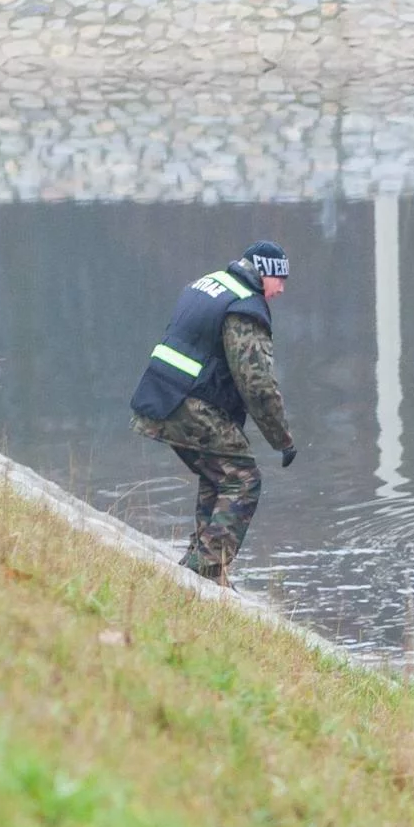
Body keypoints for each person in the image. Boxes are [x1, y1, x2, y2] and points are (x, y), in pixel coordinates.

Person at [129, 240, 297, 583]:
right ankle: (203, 571)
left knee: (218, 476)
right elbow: (257, 385)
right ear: (264, 273)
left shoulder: (209, 283)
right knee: (244, 479)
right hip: (188, 405)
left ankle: (204, 565)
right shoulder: (246, 307)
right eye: (280, 279)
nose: (281, 289)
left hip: (161, 396)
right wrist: (282, 440)